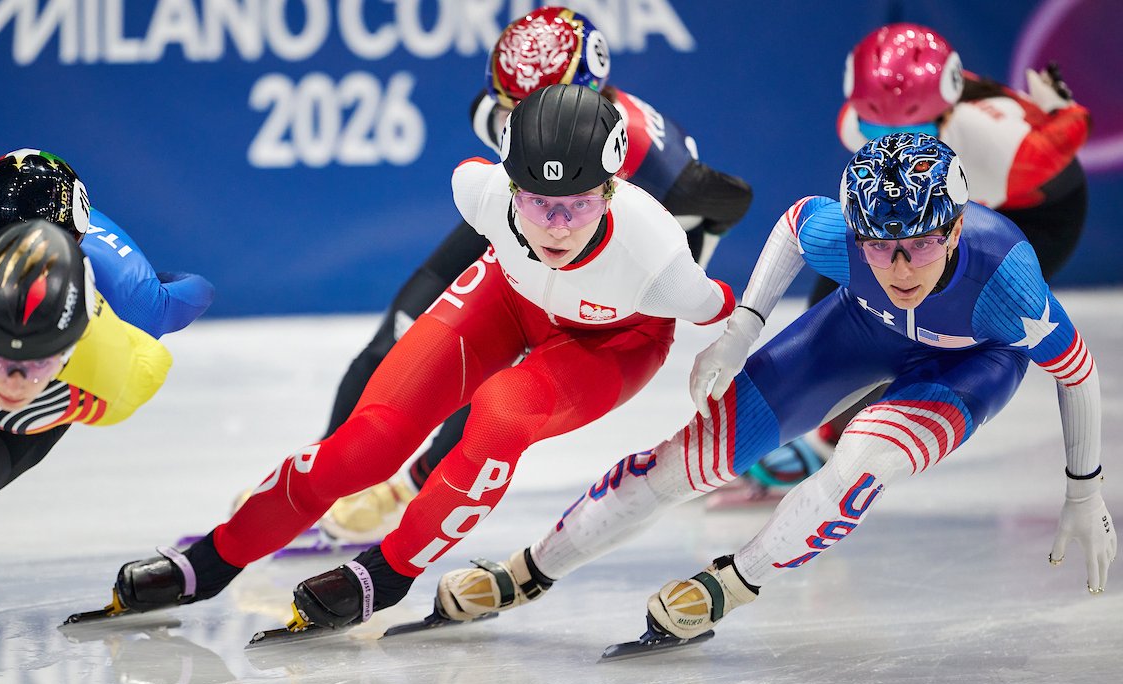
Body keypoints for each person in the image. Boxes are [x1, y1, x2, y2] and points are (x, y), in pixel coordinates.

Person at [96, 84, 739, 631]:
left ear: (612, 192)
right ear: (510, 188)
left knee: (500, 414)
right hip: (506, 300)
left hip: (609, 343)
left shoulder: (657, 257)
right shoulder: (477, 191)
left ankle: (388, 571)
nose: (559, 227)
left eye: (580, 205)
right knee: (361, 448)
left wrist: (724, 357)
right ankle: (211, 560)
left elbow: (723, 311)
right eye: (539, 204)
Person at [429, 133, 1113, 637]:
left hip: (970, 364)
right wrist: (741, 331)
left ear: (958, 228)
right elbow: (792, 225)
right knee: (685, 462)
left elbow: (1077, 373)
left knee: (858, 462)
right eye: (880, 246)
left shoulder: (1006, 285)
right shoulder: (839, 236)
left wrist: (1084, 491)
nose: (901, 267)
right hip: (856, 331)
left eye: (923, 245)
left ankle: (735, 581)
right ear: (857, 234)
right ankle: (528, 570)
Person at [313, 6, 753, 542]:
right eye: (512, 110)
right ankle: (325, 477)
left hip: (583, 248)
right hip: (525, 212)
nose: (525, 125)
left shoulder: (655, 165)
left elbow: (728, 201)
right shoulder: (495, 111)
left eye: (533, 108)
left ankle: (405, 495)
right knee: (401, 327)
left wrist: (691, 262)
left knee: (497, 377)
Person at [715, 22, 1093, 505]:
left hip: (1034, 210)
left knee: (938, 316)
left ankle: (829, 440)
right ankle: (813, 416)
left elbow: (1069, 133)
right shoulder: (860, 120)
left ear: (945, 112)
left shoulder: (1006, 152)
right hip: (948, 205)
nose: (894, 146)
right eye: (877, 130)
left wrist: (1064, 110)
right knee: (847, 291)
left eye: (912, 131)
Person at [0, 220, 172, 518]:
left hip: (2, 430)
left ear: (70, 352)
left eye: (39, 363)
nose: (13, 384)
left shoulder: (111, 377)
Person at [0, 149, 214, 339]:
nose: (6, 272)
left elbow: (194, 293)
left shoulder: (130, 295)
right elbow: (198, 290)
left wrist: (153, 282)